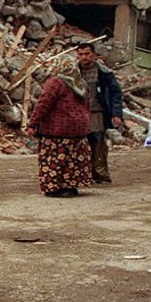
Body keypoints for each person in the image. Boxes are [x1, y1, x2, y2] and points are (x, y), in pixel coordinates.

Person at [26, 57, 92, 197]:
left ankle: (55, 187)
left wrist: (33, 123)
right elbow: (87, 105)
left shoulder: (56, 82)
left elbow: (43, 104)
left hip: (59, 127)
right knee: (74, 159)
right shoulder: (80, 83)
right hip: (80, 127)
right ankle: (71, 186)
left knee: (56, 158)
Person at [75, 43, 124, 183]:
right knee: (79, 143)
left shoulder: (104, 73)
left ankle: (98, 172)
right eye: (81, 54)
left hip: (97, 112)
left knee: (97, 142)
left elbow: (115, 94)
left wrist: (116, 114)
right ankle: (81, 173)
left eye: (87, 54)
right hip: (78, 112)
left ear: (94, 55)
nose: (83, 57)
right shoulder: (74, 72)